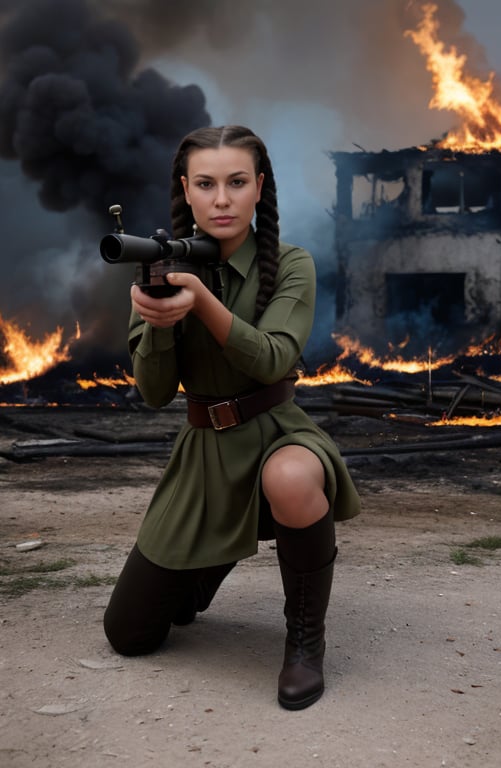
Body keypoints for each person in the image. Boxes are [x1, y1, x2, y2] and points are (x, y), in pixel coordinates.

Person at [103, 125, 361, 710]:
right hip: (205, 450)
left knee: (291, 480)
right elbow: (152, 392)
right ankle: (208, 560)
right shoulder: (162, 267)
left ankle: (304, 644)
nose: (222, 199)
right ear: (186, 192)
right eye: (206, 183)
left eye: (237, 182)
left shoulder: (292, 264)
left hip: (277, 433)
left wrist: (204, 302)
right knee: (131, 635)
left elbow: (274, 359)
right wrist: (160, 325)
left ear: (259, 188)